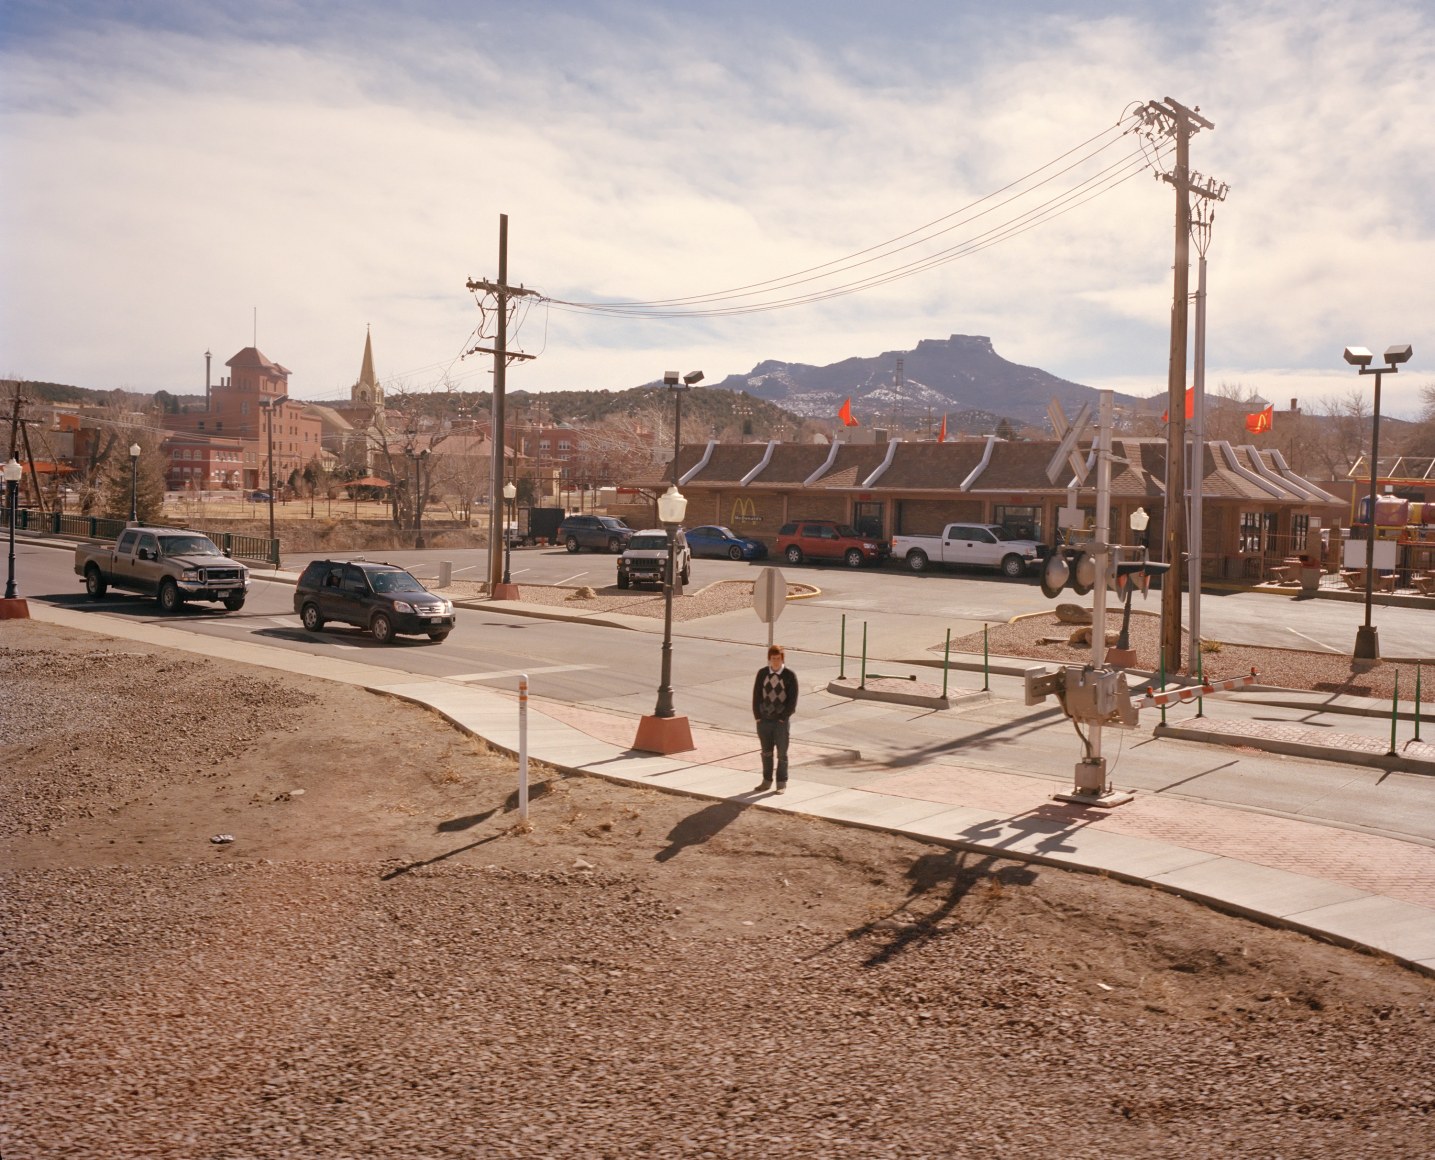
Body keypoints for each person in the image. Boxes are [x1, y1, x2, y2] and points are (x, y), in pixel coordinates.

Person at [752, 643, 798, 794]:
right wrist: (758, 717)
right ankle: (766, 781)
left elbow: (792, 701)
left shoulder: (789, 676)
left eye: (778, 658)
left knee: (782, 753)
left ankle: (781, 782)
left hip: (781, 723)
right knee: (766, 752)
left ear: (782, 658)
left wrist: (783, 718)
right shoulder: (762, 674)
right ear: (769, 659)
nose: (776, 661)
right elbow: (756, 696)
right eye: (773, 658)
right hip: (764, 721)